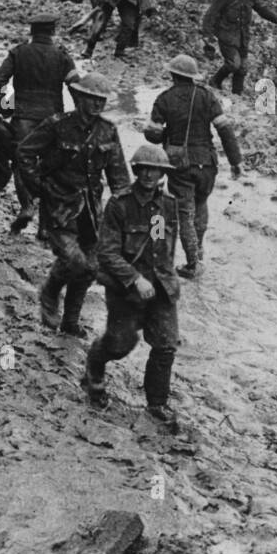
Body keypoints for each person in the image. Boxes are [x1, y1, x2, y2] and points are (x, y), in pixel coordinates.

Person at [16, 72, 131, 337]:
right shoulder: (58, 125)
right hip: (59, 207)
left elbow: (119, 177)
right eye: (91, 99)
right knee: (76, 262)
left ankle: (70, 322)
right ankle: (50, 291)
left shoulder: (107, 130)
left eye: (101, 101)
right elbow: (24, 152)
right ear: (79, 97)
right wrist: (39, 188)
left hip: (91, 211)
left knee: (90, 268)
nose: (96, 105)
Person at [85, 143, 181, 423]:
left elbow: (163, 245)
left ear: (163, 173)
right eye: (145, 169)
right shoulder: (119, 204)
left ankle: (157, 403)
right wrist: (135, 278)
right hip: (125, 290)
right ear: (136, 170)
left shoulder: (167, 204)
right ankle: (95, 365)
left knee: (166, 344)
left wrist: (164, 279)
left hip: (160, 287)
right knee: (119, 345)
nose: (150, 175)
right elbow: (107, 252)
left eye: (156, 170)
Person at [143, 53, 241, 279]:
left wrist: (162, 133)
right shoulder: (207, 97)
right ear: (193, 76)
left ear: (173, 74)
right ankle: (199, 251)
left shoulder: (164, 99)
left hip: (181, 165)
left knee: (184, 214)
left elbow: (154, 135)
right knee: (201, 204)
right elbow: (224, 129)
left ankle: (192, 263)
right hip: (207, 163)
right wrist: (236, 162)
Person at [0, 12, 76, 236]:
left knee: (21, 162)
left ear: (32, 32)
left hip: (23, 116)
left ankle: (27, 205)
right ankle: (45, 226)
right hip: (52, 118)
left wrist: (5, 107)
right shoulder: (62, 56)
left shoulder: (19, 53)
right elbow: (75, 85)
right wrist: (76, 119)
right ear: (53, 31)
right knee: (50, 168)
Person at [202, 0, 277, 94]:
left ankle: (237, 93)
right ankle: (215, 80)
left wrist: (276, 18)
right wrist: (207, 35)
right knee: (233, 64)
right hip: (226, 35)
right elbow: (210, 15)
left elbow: (262, 9)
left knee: (242, 68)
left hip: (243, 37)